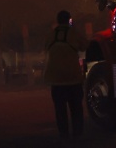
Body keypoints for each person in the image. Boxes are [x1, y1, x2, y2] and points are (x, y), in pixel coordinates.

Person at [44, 10, 89, 140]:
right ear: (69, 20)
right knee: (76, 109)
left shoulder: (51, 35)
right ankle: (78, 134)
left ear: (57, 20)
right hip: (72, 78)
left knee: (60, 110)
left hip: (56, 80)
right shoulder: (74, 33)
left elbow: (46, 47)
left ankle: (63, 134)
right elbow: (85, 45)